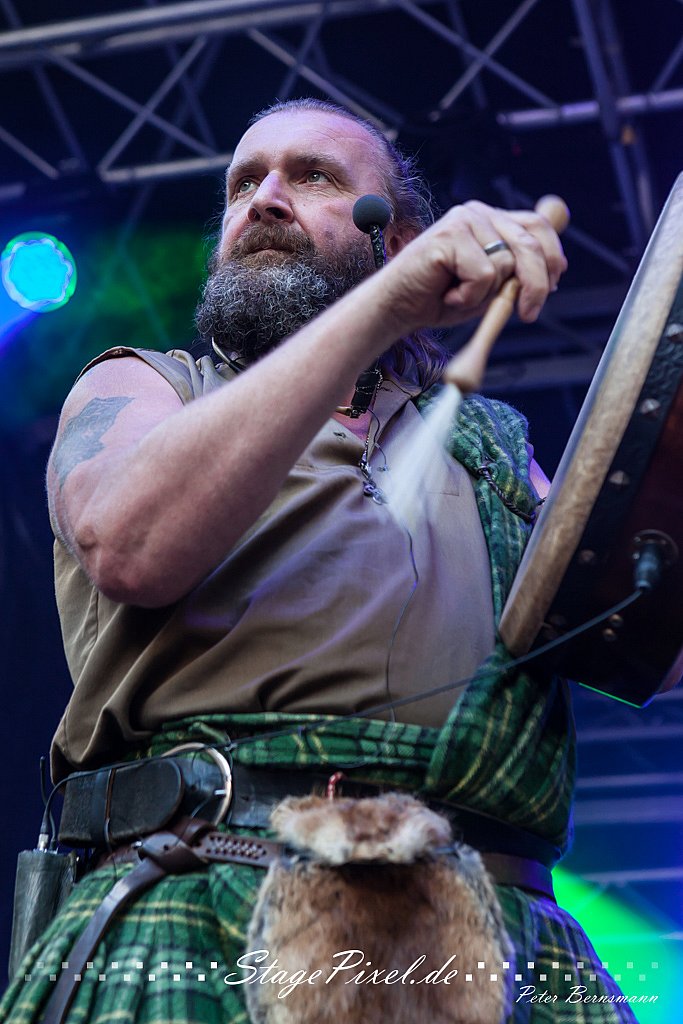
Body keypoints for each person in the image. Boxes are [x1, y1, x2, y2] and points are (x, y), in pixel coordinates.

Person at [1, 98, 638, 1024]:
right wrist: (385, 306)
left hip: (488, 929)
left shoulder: (495, 448)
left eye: (312, 176)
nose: (263, 198)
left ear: (400, 238)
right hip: (203, 892)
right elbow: (129, 543)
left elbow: (644, 643)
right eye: (242, 184)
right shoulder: (147, 384)